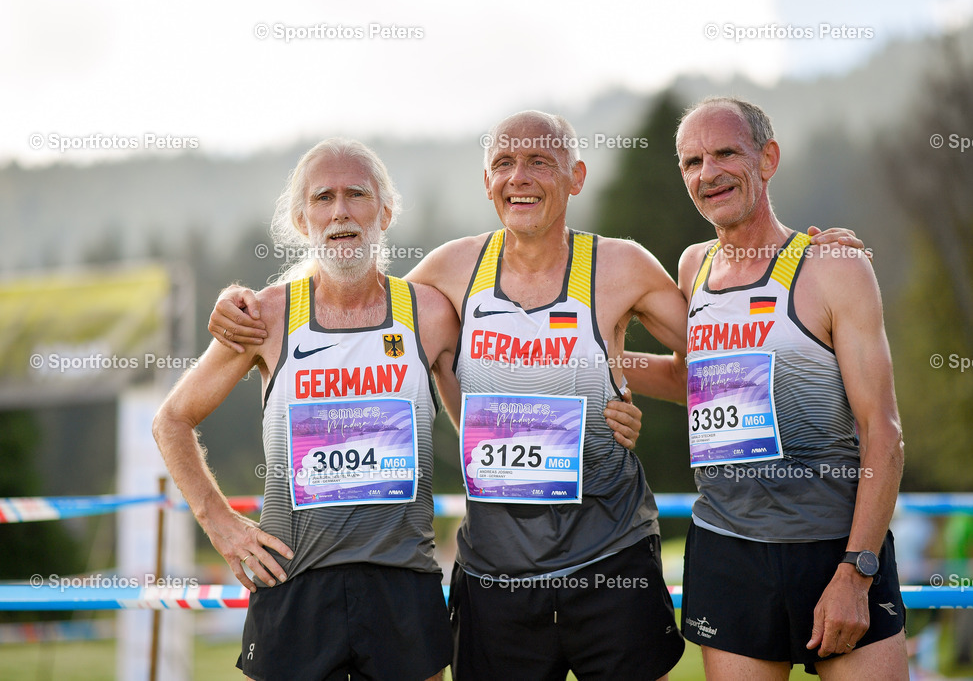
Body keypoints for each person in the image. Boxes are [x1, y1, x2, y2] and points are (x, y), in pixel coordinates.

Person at [210, 111, 861, 680]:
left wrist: (801, 256)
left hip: (612, 565)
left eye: (540, 161)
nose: (520, 176)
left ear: (575, 177)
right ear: (487, 182)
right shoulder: (448, 271)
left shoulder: (623, 265)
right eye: (504, 162)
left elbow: (721, 348)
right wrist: (244, 304)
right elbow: (355, 298)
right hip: (497, 578)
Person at [152, 138, 460, 680]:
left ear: (385, 212)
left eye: (357, 194)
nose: (340, 211)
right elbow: (171, 419)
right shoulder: (265, 316)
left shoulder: (430, 313)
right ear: (300, 219)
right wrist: (219, 522)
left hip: (401, 584)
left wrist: (609, 399)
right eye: (323, 198)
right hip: (293, 585)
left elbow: (495, 403)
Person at [624, 97, 909, 679]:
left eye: (726, 153)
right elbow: (693, 380)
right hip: (727, 548)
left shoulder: (833, 267)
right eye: (692, 161)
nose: (708, 173)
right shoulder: (692, 267)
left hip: (835, 545)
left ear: (769, 158)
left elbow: (884, 431)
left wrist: (857, 570)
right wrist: (600, 361)